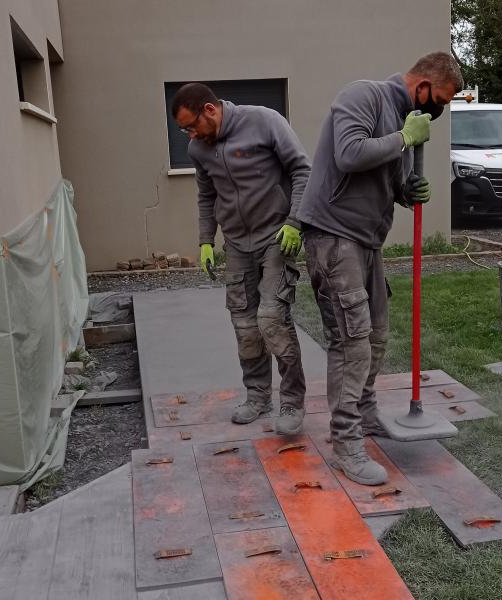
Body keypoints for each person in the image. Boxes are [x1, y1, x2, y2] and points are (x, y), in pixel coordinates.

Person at [297, 51, 463, 485]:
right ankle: (346, 446)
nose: (437, 110)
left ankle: (365, 413)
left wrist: (409, 190)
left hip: (366, 242)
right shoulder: (363, 97)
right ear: (422, 85)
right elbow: (349, 154)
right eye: (438, 100)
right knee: (351, 341)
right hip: (333, 237)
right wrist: (404, 140)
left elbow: (385, 180)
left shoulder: (408, 119)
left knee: (375, 336)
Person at [171, 83, 311, 434]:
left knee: (271, 318)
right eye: (184, 130)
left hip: (276, 236)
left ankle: (292, 401)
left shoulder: (264, 121)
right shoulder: (198, 149)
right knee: (245, 325)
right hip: (236, 243)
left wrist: (295, 222)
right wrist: (206, 241)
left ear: (209, 110)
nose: (189, 135)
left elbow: (302, 170)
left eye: (191, 126)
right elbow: (206, 195)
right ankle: (258, 395)